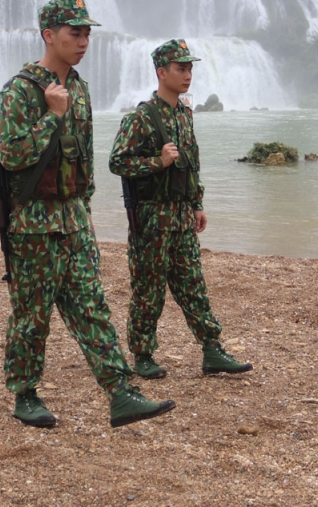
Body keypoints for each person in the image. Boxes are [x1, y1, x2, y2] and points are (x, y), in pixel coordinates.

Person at [0, 0, 175, 429]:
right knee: (32, 314)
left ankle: (120, 392)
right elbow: (11, 154)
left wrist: (86, 207)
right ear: (49, 35)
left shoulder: (79, 88)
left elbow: (84, 158)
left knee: (91, 306)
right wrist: (52, 117)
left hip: (73, 216)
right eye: (75, 33)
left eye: (88, 33)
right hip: (34, 222)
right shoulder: (20, 90)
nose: (83, 41)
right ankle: (25, 394)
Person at [109, 39, 253, 381]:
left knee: (192, 285)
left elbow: (192, 165)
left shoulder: (185, 114)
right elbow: (118, 162)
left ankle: (212, 350)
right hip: (152, 219)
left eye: (190, 69)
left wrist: (197, 204)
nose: (188, 75)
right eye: (180, 69)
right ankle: (142, 354)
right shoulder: (142, 117)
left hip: (182, 216)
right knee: (149, 288)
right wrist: (156, 162)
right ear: (162, 72)